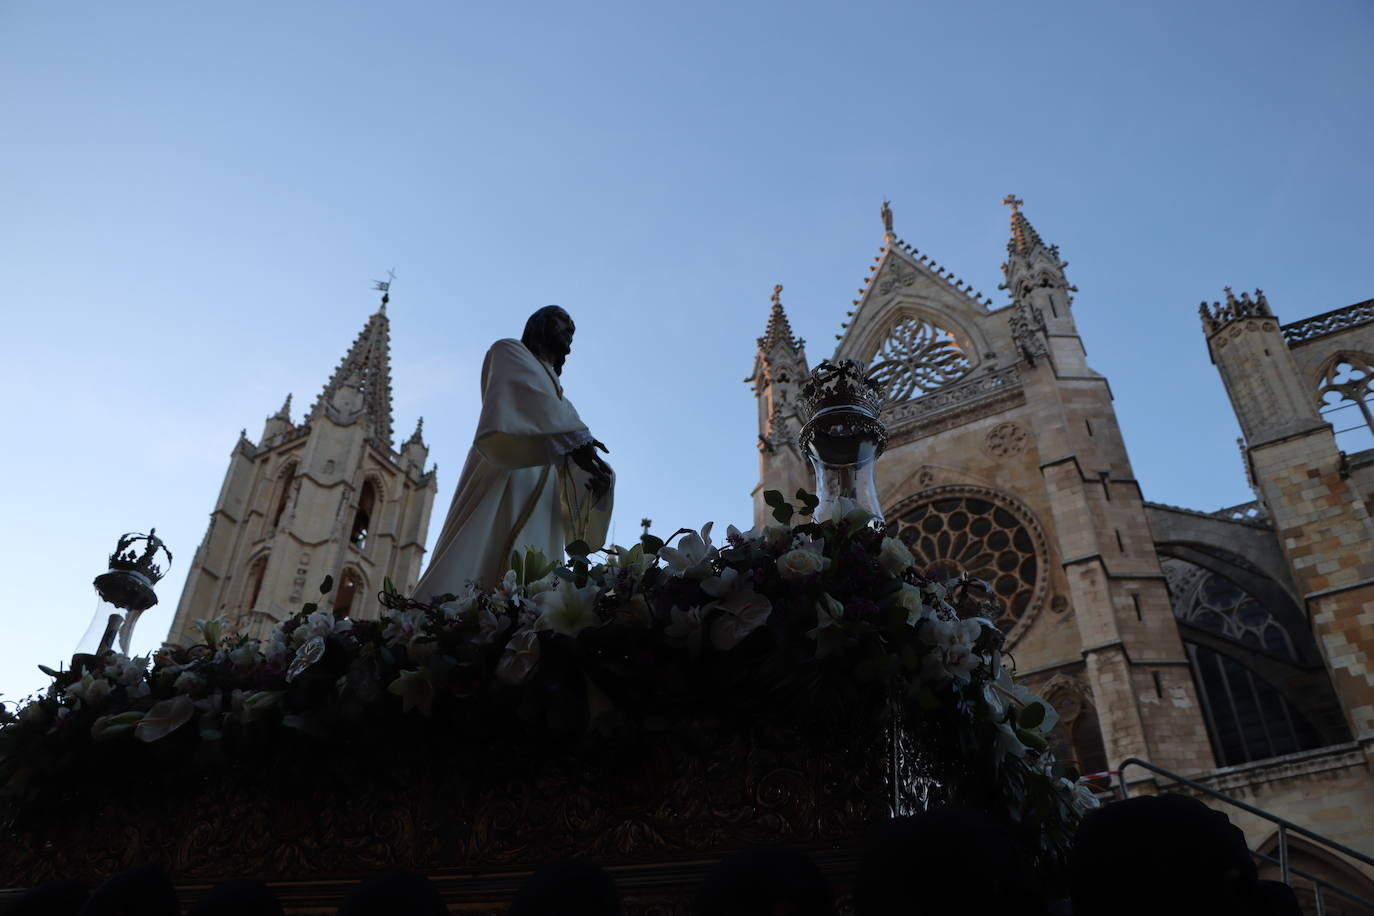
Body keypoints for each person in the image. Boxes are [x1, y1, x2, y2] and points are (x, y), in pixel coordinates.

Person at [415, 306, 614, 599]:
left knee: (537, 574)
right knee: (482, 545)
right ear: (540, 325)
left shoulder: (564, 402)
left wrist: (595, 482)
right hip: (506, 464)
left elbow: (572, 446)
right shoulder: (509, 351)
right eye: (563, 322)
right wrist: (574, 440)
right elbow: (523, 395)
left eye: (573, 328)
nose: (570, 330)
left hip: (544, 489)